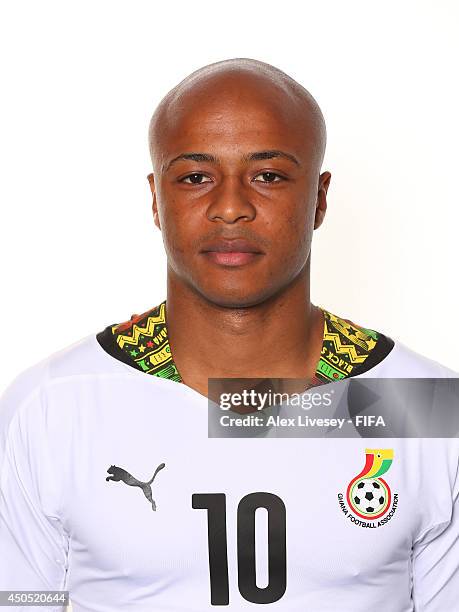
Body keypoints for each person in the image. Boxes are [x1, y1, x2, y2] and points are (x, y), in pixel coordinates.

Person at [0, 57, 458, 611]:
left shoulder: (426, 407)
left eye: (268, 176)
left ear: (319, 197)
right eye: (196, 177)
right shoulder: (52, 406)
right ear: (155, 198)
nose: (231, 207)